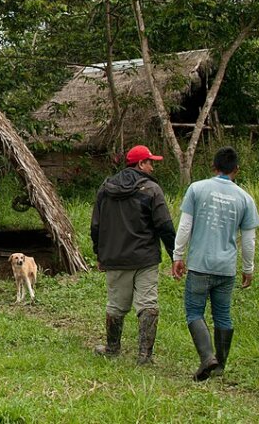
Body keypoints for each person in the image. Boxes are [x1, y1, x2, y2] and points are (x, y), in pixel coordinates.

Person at [171, 146, 259, 381]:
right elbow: (249, 240)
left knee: (194, 312)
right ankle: (219, 365)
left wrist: (178, 256)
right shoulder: (245, 198)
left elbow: (185, 226)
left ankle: (207, 357)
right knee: (222, 314)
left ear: (214, 167)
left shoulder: (196, 189)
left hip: (200, 265)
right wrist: (248, 268)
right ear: (236, 169)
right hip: (226, 268)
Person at [91, 145, 176, 365]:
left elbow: (96, 226)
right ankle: (144, 356)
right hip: (145, 257)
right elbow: (164, 226)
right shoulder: (151, 189)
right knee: (148, 304)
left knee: (115, 306)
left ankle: (112, 348)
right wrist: (175, 255)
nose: (152, 168)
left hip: (115, 257)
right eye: (150, 163)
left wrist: (99, 254)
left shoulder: (105, 189)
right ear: (140, 164)